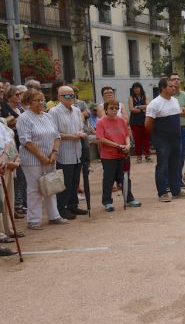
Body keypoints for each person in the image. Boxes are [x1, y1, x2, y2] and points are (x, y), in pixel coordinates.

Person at [17, 89, 68, 230]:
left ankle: (54, 216)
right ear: (28, 102)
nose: (41, 102)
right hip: (32, 160)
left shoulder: (47, 116)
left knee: (51, 186)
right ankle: (33, 220)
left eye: (42, 99)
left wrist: (54, 152)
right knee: (34, 189)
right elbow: (25, 141)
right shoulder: (24, 118)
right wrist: (41, 156)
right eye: (37, 100)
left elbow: (57, 136)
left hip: (50, 158)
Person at [146, 78, 185, 202]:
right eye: (171, 86)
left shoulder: (175, 101)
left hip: (176, 138)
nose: (174, 88)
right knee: (162, 166)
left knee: (175, 165)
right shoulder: (155, 103)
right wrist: (157, 138)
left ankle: (176, 191)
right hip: (162, 140)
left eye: (174, 86)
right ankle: (162, 193)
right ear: (163, 88)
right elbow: (148, 124)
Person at [49, 85, 88, 219]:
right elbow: (54, 133)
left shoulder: (77, 110)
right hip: (64, 152)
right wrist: (73, 136)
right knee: (65, 181)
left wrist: (80, 133)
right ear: (59, 97)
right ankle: (62, 207)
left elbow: (82, 128)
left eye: (73, 95)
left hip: (77, 151)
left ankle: (73, 205)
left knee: (75, 180)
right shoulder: (54, 112)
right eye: (67, 95)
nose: (71, 97)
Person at [96, 99, 140, 211]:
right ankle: (107, 202)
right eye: (111, 108)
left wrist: (128, 145)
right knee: (109, 179)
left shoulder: (121, 121)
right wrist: (116, 145)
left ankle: (129, 199)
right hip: (108, 156)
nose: (114, 110)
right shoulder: (101, 122)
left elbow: (126, 135)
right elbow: (100, 138)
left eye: (116, 108)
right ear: (106, 110)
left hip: (123, 154)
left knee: (125, 178)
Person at [1, 85, 27, 217]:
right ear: (9, 96)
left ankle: (17, 205)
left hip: (14, 147)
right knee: (16, 177)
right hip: (8, 150)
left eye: (19, 94)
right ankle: (17, 205)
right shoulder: (6, 108)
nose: (19, 96)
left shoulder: (20, 108)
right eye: (16, 94)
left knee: (19, 177)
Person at [1, 115, 22, 250]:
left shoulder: (2, 122)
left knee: (8, 197)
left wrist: (13, 160)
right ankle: (1, 232)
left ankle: (9, 228)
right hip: (3, 163)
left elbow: (8, 142)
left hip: (6, 163)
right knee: (0, 199)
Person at [128, 82, 151, 163]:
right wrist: (142, 109)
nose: (136, 89)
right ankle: (139, 156)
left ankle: (147, 155)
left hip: (145, 119)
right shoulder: (131, 97)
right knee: (137, 139)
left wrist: (137, 107)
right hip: (135, 121)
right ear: (133, 89)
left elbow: (148, 106)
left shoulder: (145, 95)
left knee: (146, 138)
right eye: (134, 88)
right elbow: (131, 109)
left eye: (138, 87)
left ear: (140, 88)